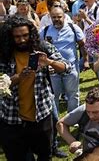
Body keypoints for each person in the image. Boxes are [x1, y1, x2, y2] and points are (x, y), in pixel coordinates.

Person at [0, 15, 71, 160]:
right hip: (12, 118)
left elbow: (66, 67)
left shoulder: (42, 47)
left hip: (41, 116)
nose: (22, 40)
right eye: (17, 37)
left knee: (45, 155)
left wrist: (49, 61)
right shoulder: (3, 54)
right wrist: (18, 77)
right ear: (9, 37)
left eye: (25, 35)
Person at [40, 6, 85, 112]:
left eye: (59, 17)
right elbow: (38, 46)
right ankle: (53, 119)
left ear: (64, 16)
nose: (56, 19)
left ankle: (73, 117)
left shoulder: (73, 28)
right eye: (53, 17)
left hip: (72, 67)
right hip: (52, 69)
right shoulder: (45, 31)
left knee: (73, 94)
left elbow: (82, 44)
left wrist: (86, 60)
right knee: (53, 95)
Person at [57, 87, 99, 157]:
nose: (91, 116)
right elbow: (60, 124)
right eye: (88, 112)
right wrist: (72, 141)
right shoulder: (84, 110)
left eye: (96, 112)